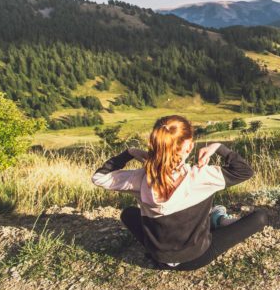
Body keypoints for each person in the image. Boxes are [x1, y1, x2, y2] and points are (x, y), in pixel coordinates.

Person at [91, 115, 267, 270]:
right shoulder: (200, 176)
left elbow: (99, 177)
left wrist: (129, 153)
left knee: (128, 213)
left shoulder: (138, 179)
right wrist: (218, 147)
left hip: (159, 257)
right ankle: (216, 220)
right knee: (260, 217)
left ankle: (213, 219)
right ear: (189, 147)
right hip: (195, 258)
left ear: (155, 147)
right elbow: (245, 171)